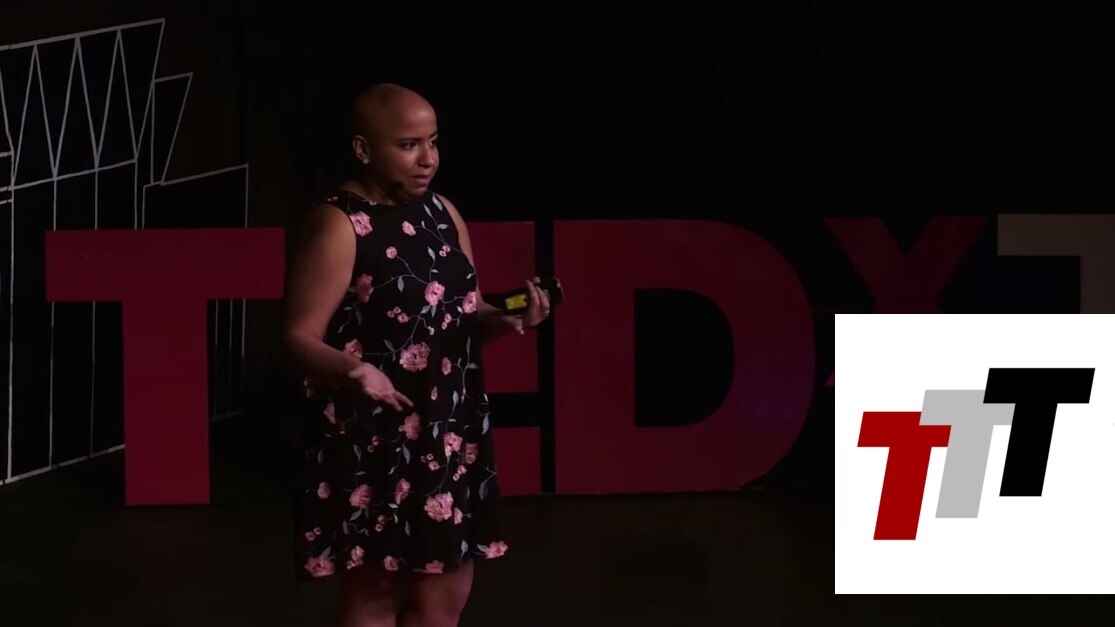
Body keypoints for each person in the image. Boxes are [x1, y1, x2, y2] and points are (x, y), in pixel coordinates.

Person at [282, 82, 549, 627]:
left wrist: (507, 319)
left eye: (433, 142)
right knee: (373, 597)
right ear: (363, 149)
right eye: (408, 145)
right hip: (371, 436)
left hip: (446, 430)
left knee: (446, 596)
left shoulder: (443, 212)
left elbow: (465, 314)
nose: (428, 159)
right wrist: (355, 370)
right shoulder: (338, 224)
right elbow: (296, 338)